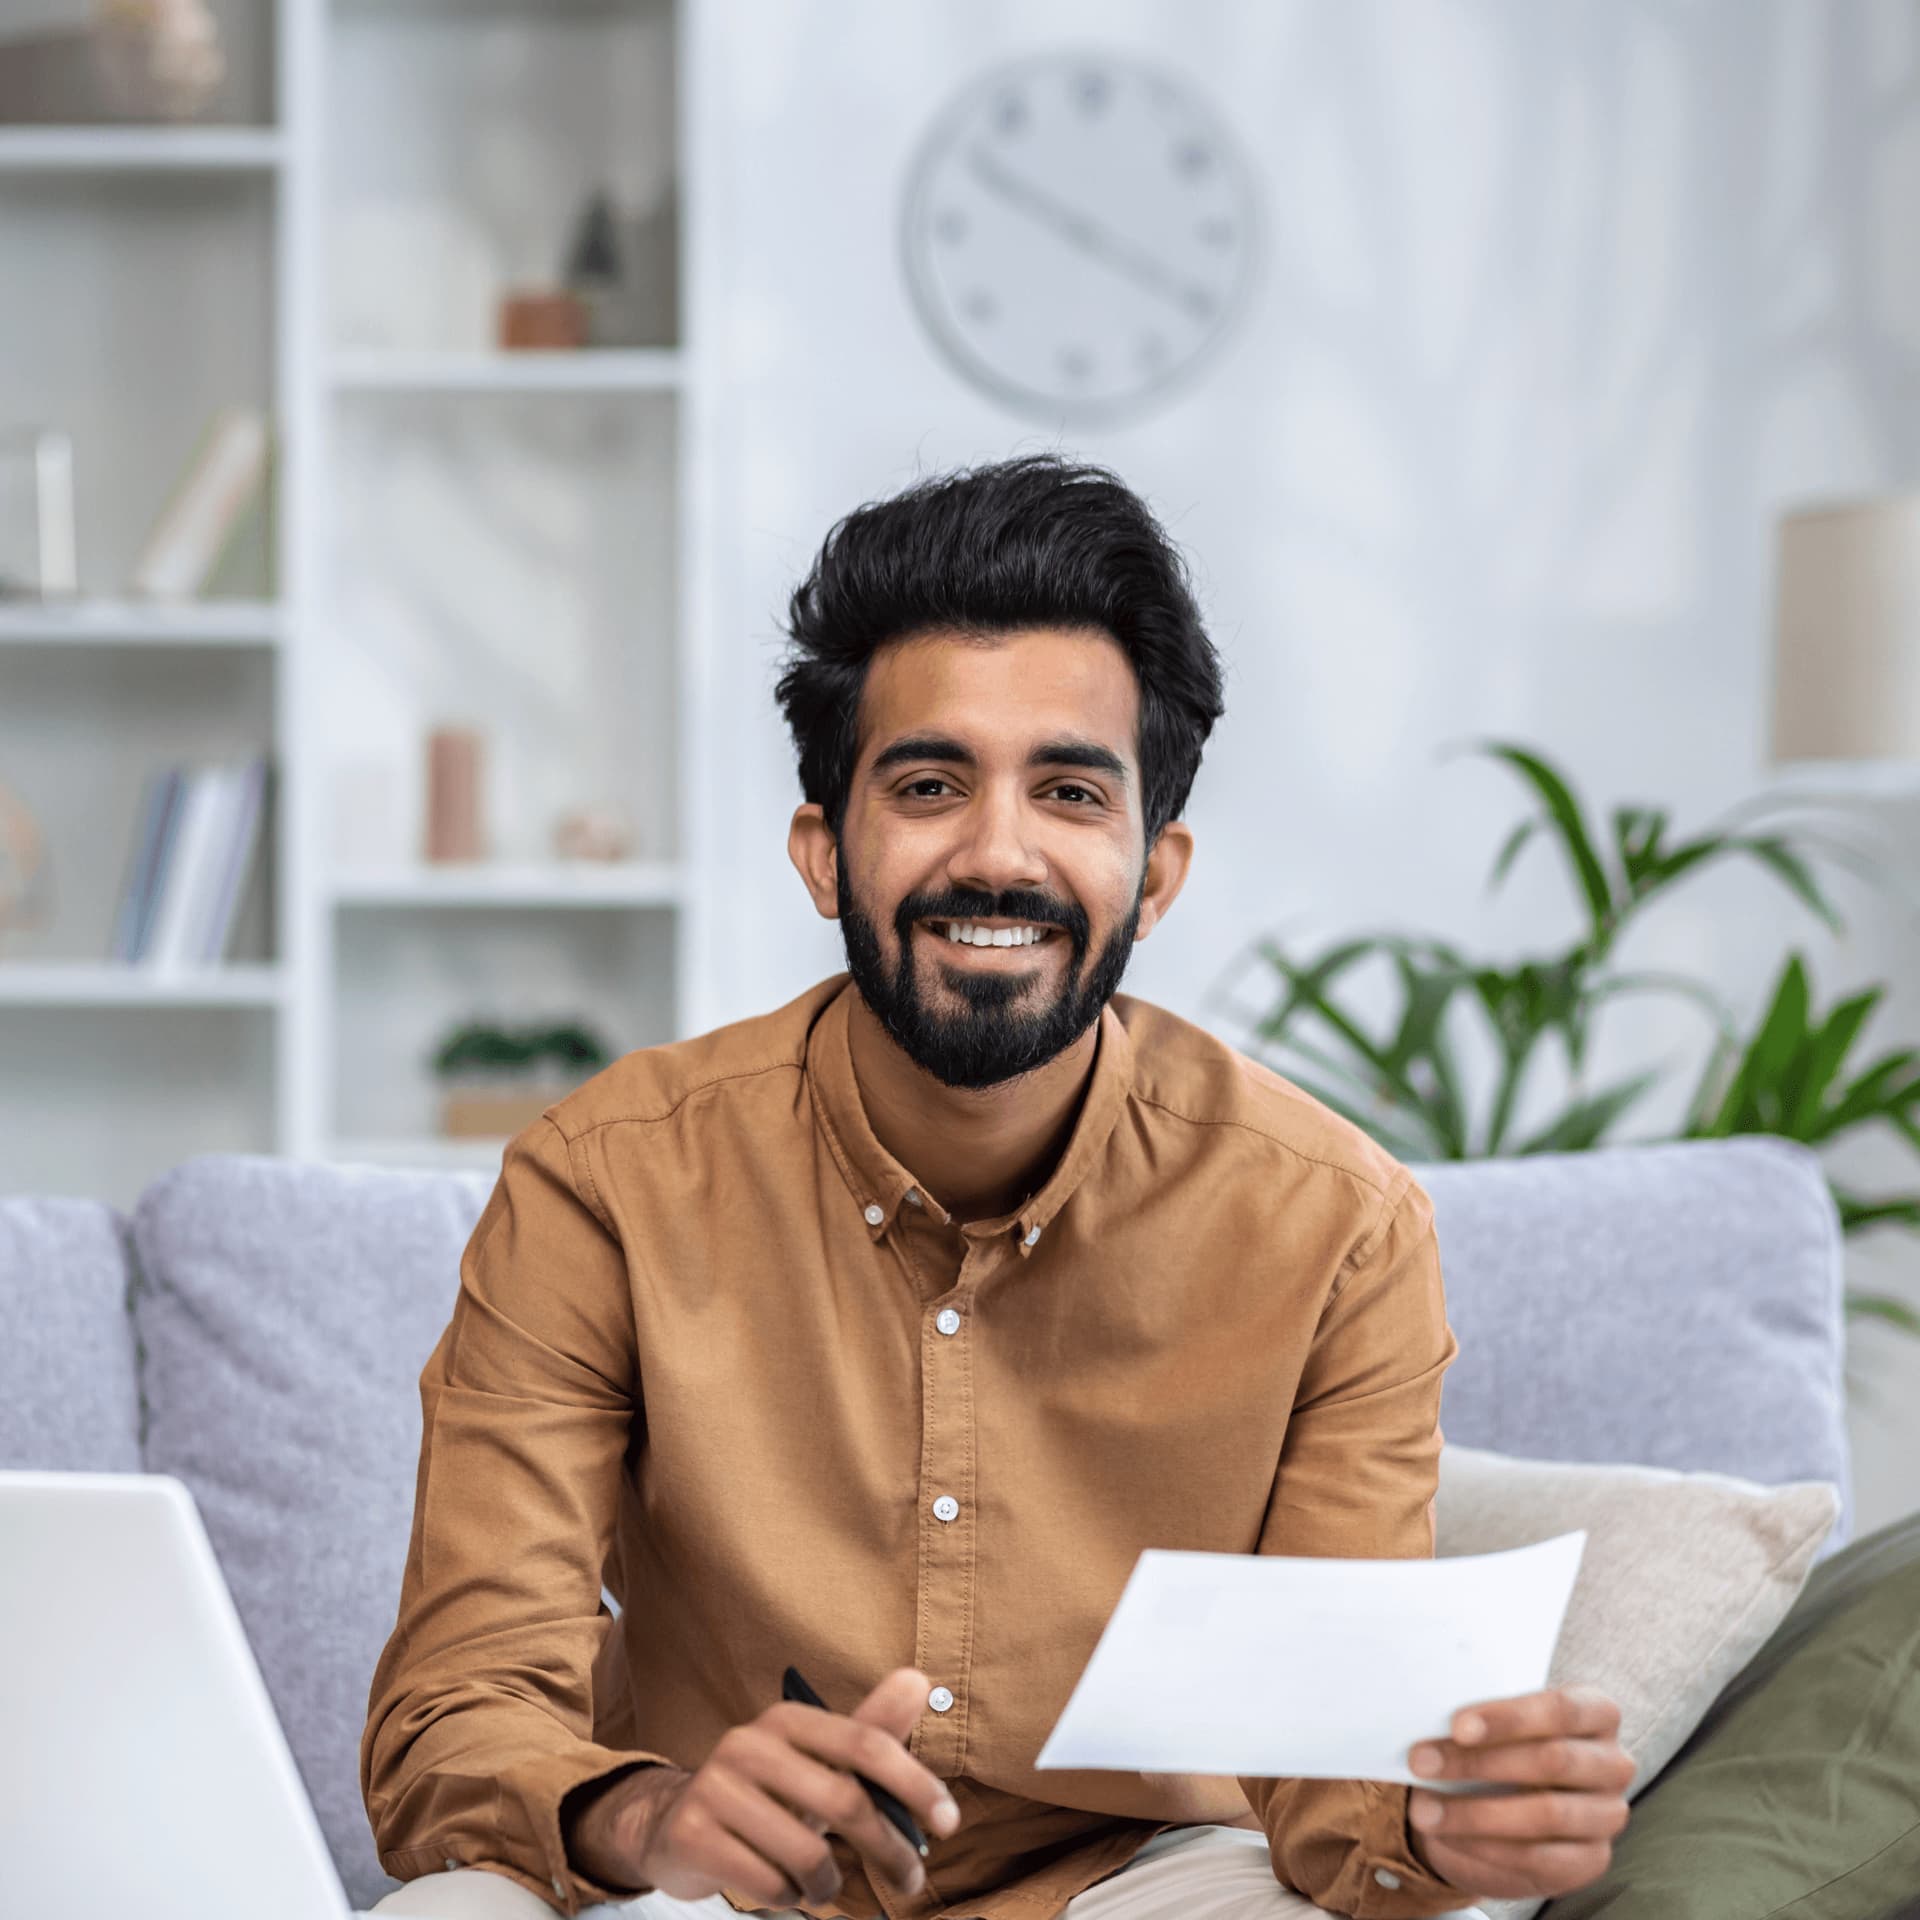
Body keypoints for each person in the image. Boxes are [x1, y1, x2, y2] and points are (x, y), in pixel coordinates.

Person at [360, 456, 1633, 1920]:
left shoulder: (1336, 1230)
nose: (999, 853)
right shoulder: (603, 1184)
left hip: (1142, 1886)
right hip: (716, 1886)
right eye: (928, 783)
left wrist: (1443, 1830)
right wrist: (649, 1816)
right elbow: (453, 1717)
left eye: (1071, 790)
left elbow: (1328, 1767)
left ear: (1154, 875)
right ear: (825, 851)